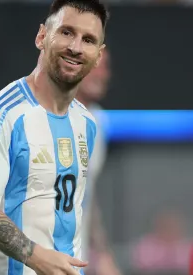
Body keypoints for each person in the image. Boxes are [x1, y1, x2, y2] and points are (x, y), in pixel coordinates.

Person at [0, 0, 109, 274]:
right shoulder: (1, 114)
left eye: (88, 40)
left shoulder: (87, 123)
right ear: (42, 36)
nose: (75, 47)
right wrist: (36, 257)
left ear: (98, 55)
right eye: (66, 32)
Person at [76, 48, 122, 275]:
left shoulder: (98, 121)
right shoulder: (38, 117)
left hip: (74, 260)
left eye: (105, 66)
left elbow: (86, 194)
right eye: (95, 66)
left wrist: (103, 253)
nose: (102, 74)